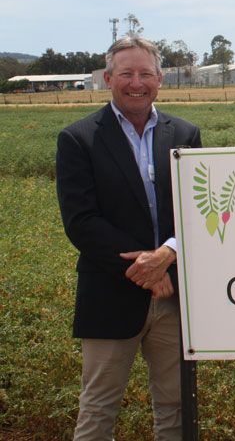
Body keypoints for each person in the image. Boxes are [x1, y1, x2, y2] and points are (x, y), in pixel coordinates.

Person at [56, 34, 201, 440]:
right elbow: (82, 222)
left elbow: (196, 210)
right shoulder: (78, 139)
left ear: (160, 80)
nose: (136, 82)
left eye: (145, 74)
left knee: (175, 406)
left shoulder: (185, 134)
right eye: (126, 74)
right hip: (110, 294)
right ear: (107, 78)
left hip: (173, 299)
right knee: (99, 408)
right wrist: (148, 268)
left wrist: (167, 254)